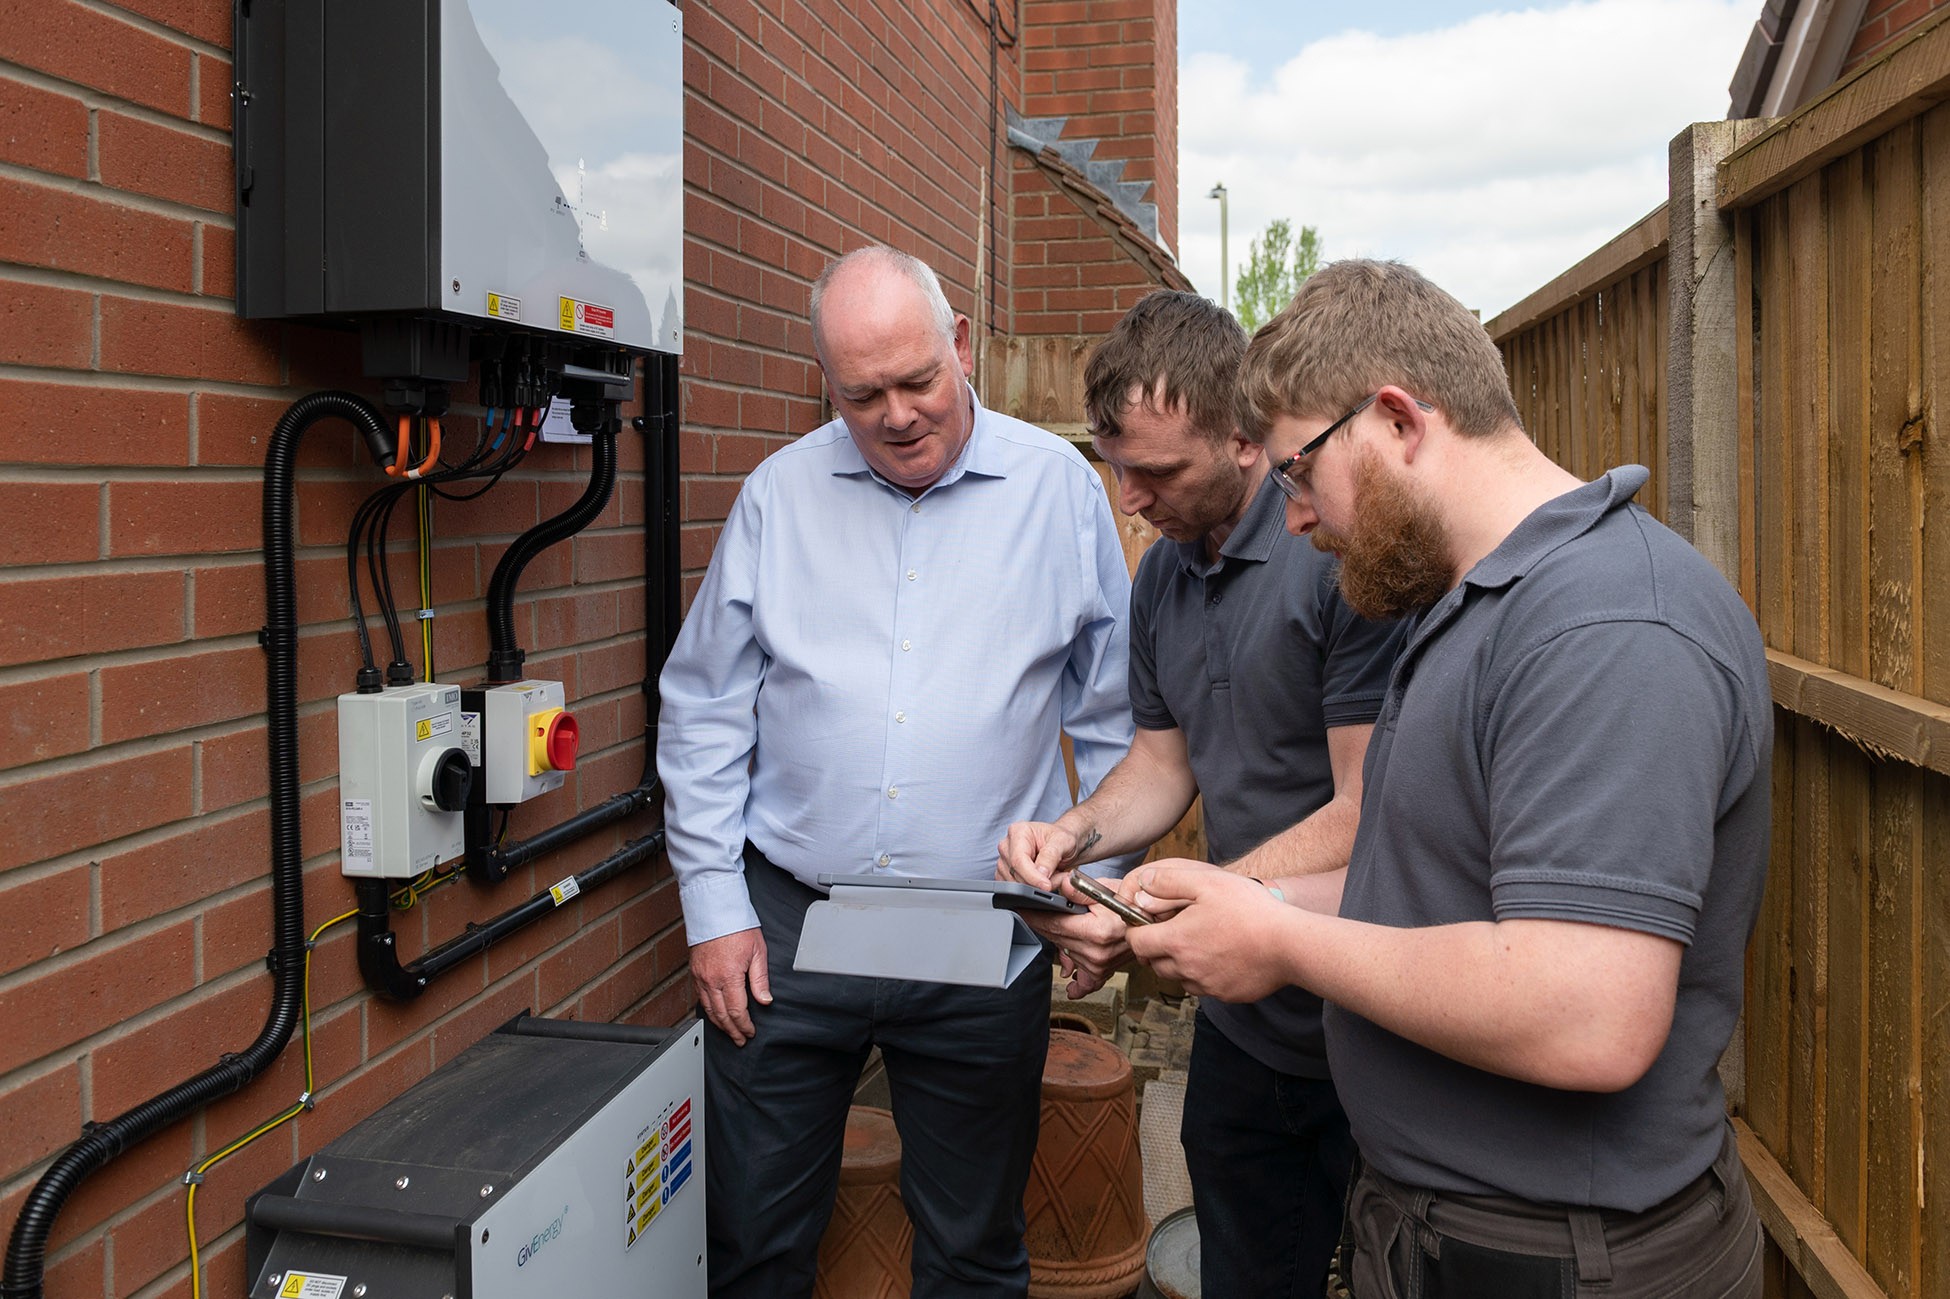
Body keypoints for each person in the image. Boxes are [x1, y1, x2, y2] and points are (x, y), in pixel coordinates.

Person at [1121, 258, 1771, 1298]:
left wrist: (1280, 938)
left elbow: (1588, 1010)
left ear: (1396, 422)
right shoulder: (1469, 608)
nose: (1291, 516)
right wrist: (1234, 901)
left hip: (1566, 1255)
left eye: (1297, 471)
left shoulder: (1607, 626)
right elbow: (1421, 878)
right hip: (1449, 1232)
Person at [656, 244, 1135, 1299]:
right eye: (863, 394)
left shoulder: (1060, 492)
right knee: (754, 1244)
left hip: (983, 927)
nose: (898, 414)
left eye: (919, 380)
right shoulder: (778, 498)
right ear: (826, 384)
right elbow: (702, 711)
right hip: (784, 935)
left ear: (961, 346)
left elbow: (1113, 722)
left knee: (974, 1248)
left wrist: (1104, 893)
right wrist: (710, 906)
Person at [996, 290, 1402, 1297]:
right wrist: (1073, 837)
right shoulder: (1163, 578)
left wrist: (1145, 909)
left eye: (1159, 470)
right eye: (1116, 466)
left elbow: (1366, 811)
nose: (1130, 497)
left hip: (1371, 1015)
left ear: (1244, 442)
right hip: (1240, 1025)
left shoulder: (1334, 556)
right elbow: (1160, 765)